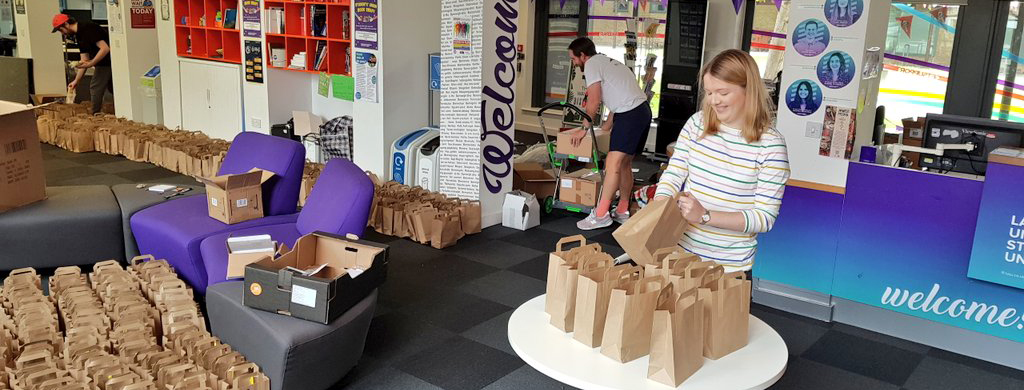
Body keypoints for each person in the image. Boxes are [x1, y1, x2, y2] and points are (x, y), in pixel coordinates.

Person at [653, 49, 790, 272]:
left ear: (748, 91)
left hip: (729, 268)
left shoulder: (770, 145)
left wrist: (705, 216)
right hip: (679, 255)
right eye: (709, 92)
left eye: (723, 93)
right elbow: (675, 172)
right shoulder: (697, 123)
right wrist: (661, 203)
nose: (714, 101)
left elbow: (764, 218)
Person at [566, 37, 653, 230]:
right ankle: (622, 210)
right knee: (624, 164)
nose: (574, 63)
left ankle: (601, 214)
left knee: (612, 164)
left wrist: (583, 129)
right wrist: (606, 125)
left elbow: (594, 101)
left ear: (582, 55)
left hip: (630, 114)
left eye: (573, 59)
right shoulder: (608, 61)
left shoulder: (591, 65)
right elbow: (619, 96)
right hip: (642, 111)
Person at [53, 14, 113, 114]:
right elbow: (84, 59)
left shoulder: (88, 28)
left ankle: (95, 113)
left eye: (61, 30)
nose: (62, 34)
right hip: (102, 62)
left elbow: (105, 48)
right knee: (111, 87)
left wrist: (91, 63)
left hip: (108, 61)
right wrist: (76, 80)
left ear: (66, 24)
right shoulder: (79, 35)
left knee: (95, 86)